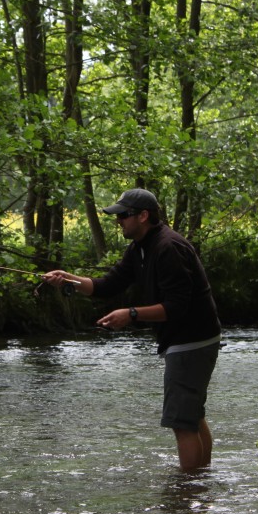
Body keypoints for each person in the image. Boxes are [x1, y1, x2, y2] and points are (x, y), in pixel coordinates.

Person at [43, 188, 222, 471]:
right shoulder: (139, 247)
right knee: (191, 415)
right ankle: (200, 487)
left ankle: (187, 497)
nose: (119, 221)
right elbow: (107, 285)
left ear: (143, 216)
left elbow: (177, 307)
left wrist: (132, 314)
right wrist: (68, 279)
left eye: (123, 216)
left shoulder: (168, 247)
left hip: (192, 340)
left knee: (181, 421)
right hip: (188, 339)